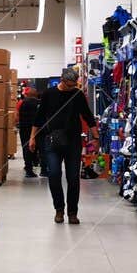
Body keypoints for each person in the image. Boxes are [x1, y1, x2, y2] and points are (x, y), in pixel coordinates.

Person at [30, 65, 97, 224]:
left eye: (75, 85)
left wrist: (96, 136)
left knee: (73, 178)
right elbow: (39, 117)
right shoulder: (48, 94)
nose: (72, 88)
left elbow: (87, 115)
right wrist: (32, 137)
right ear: (62, 80)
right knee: (53, 175)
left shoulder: (77, 94)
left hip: (73, 141)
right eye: (69, 85)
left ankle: (72, 212)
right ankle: (59, 209)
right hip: (52, 141)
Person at [17, 83, 42, 178]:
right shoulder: (39, 103)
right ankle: (41, 166)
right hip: (36, 128)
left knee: (26, 148)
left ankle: (28, 168)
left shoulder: (21, 103)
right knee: (39, 147)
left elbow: (17, 115)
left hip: (24, 128)